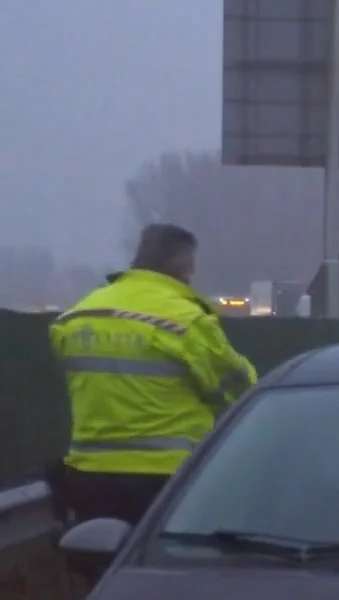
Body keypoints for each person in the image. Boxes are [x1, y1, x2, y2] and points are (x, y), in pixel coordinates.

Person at [48, 223, 259, 533]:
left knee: (103, 569)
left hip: (89, 476)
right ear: (181, 264)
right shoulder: (185, 320)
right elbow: (240, 388)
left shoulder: (78, 316)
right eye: (191, 264)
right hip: (167, 480)